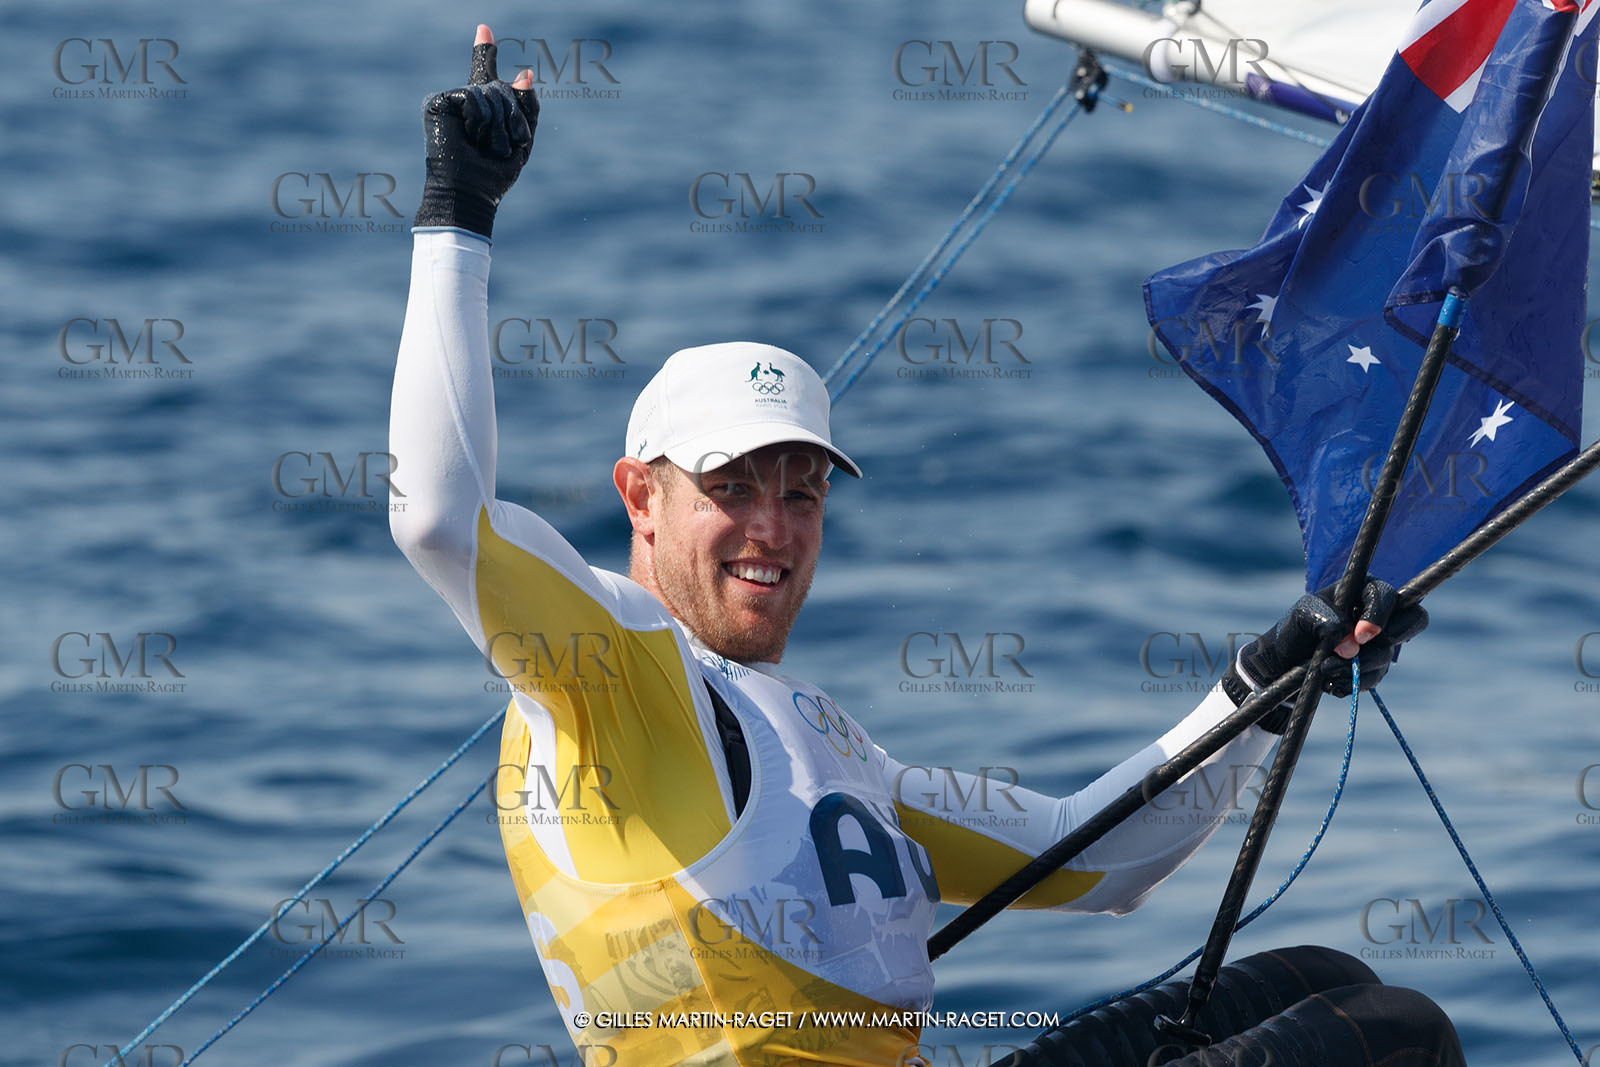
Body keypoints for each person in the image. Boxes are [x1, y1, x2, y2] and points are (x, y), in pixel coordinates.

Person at [389, 26, 1461, 1067]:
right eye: (729, 487)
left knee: (1323, 977)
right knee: (1398, 1035)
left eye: (801, 493)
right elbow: (438, 515)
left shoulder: (826, 745)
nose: (772, 528)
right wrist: (458, 217)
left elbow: (1094, 855)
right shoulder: (613, 671)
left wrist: (1265, 682)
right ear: (641, 496)